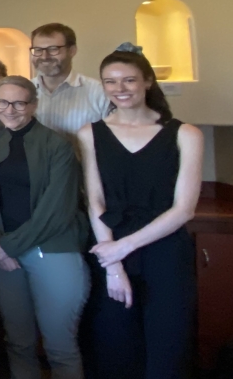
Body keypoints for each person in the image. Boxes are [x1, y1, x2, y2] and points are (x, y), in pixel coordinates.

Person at [78, 50, 202, 379]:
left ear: (147, 81)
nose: (121, 88)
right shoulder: (89, 134)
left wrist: (124, 246)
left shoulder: (186, 134)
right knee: (114, 348)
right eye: (111, 82)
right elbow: (95, 201)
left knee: (168, 348)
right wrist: (113, 261)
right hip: (109, 249)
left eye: (129, 79)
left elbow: (184, 209)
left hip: (166, 250)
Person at [0, 76, 89, 379]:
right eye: (2, 102)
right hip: (3, 256)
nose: (10, 109)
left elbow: (58, 210)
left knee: (60, 346)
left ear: (33, 105)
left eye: (19, 102)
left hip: (51, 251)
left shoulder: (58, 145)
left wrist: (8, 246)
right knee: (18, 342)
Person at [30, 23, 111, 144]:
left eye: (53, 49)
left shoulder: (99, 92)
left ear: (72, 51)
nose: (44, 56)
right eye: (38, 50)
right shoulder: (24, 91)